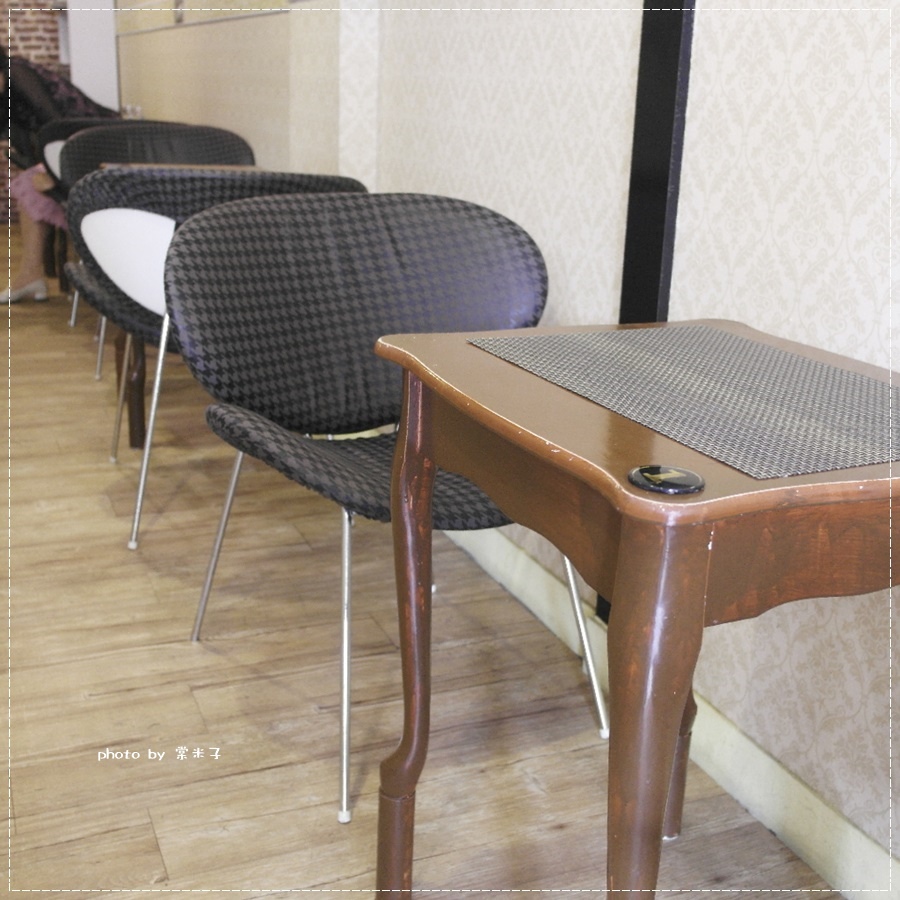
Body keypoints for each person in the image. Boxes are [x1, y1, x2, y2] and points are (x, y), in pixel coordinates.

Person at [3, 45, 119, 303]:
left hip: (99, 142)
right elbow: (23, 140)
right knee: (30, 185)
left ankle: (33, 276)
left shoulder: (16, 72)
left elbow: (56, 124)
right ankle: (31, 275)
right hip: (68, 148)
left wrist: (54, 172)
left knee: (33, 185)